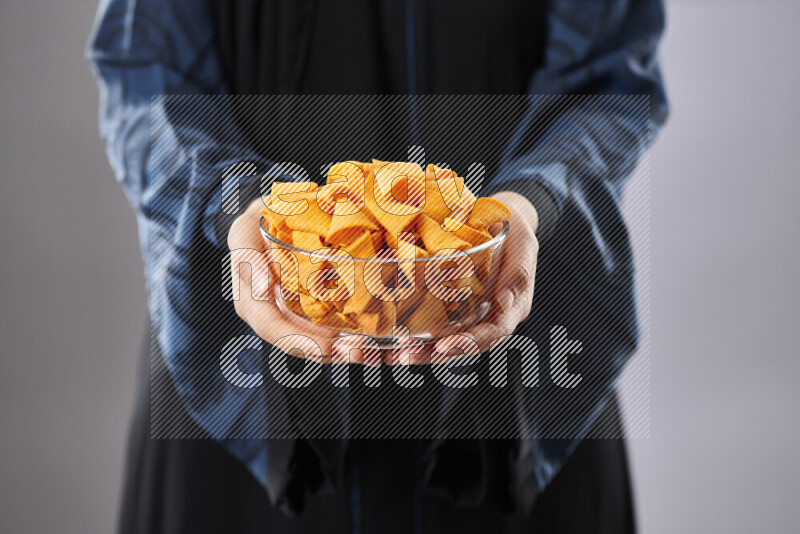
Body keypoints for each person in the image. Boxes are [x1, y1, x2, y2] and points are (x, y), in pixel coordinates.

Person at [88, 0, 668, 532]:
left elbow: (610, 79)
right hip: (241, 399)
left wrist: (525, 207)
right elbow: (146, 77)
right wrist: (240, 209)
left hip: (521, 384)